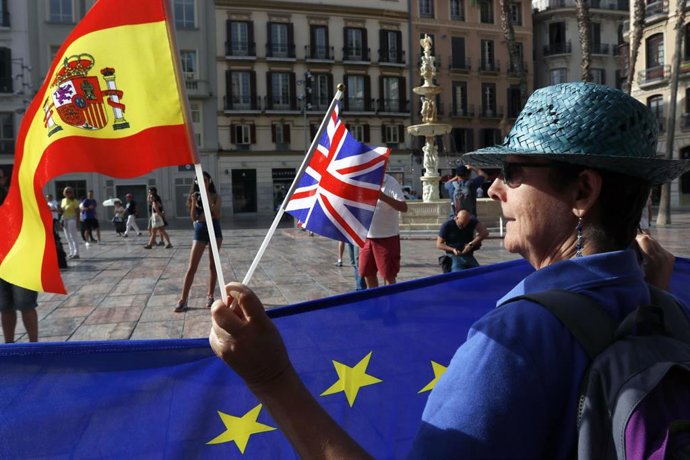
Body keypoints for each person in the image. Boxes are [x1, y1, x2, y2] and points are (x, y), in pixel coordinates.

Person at [207, 82, 690, 458]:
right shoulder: (662, 305)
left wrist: (271, 378)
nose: (496, 189)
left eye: (513, 171)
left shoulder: (520, 337)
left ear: (583, 191)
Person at [175, 171, 222, 312]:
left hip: (214, 229)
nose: (202, 182)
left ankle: (210, 295)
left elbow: (216, 214)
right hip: (200, 230)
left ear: (209, 181)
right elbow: (194, 218)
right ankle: (183, 299)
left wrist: (206, 191)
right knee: (191, 267)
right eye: (199, 181)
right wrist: (194, 202)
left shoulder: (215, 196)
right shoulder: (194, 197)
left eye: (205, 180)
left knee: (213, 266)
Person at [359, 174, 408, 288]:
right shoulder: (363, 181)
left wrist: (382, 197)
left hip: (386, 237)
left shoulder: (390, 182)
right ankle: (375, 300)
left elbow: (403, 207)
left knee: (388, 274)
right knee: (366, 272)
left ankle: (390, 302)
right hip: (366, 237)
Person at [60, 186, 80, 259]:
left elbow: (78, 212)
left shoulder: (74, 201)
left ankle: (76, 253)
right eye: (66, 192)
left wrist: (78, 222)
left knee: (73, 236)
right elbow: (62, 211)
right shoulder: (63, 200)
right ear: (64, 193)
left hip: (72, 219)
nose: (68, 193)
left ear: (72, 193)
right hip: (65, 219)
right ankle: (71, 252)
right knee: (67, 237)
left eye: (70, 192)